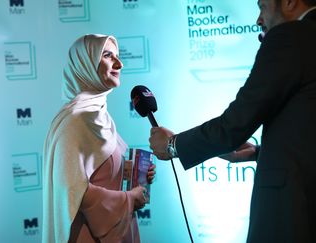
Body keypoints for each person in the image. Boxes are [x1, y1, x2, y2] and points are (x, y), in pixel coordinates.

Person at [149, 0, 316, 242]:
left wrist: (173, 145)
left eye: (263, 7)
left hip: (294, 208)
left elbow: (234, 125)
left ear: (290, 2)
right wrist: (260, 152)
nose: (259, 19)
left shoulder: (292, 36)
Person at [43, 34, 156, 243]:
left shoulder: (100, 115)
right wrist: (129, 199)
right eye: (107, 55)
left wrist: (135, 175)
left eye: (118, 56)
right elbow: (74, 190)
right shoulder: (74, 121)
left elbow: (102, 173)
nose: (119, 64)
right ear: (85, 64)